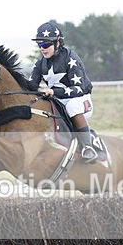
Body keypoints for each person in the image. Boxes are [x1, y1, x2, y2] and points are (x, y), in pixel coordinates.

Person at [26, 22, 97, 163]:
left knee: (71, 106)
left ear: (58, 42)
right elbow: (30, 86)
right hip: (58, 100)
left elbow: (79, 88)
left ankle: (88, 147)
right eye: (40, 45)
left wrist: (54, 92)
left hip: (81, 100)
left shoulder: (71, 58)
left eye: (46, 45)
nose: (42, 49)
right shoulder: (40, 63)